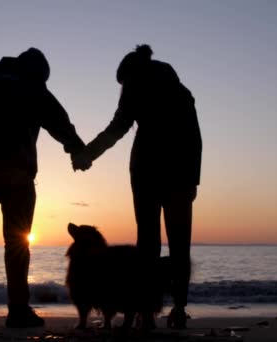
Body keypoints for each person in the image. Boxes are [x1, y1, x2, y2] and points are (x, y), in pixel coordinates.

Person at [73, 44, 202, 329]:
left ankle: (146, 313)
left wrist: (87, 154)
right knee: (180, 245)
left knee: (148, 245)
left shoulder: (135, 84)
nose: (121, 90)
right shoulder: (181, 93)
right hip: (180, 173)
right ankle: (178, 310)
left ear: (128, 75)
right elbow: (194, 138)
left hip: (146, 171)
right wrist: (194, 178)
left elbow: (117, 127)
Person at [0, 48, 86, 328]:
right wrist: (77, 150)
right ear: (36, 73)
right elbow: (58, 120)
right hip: (17, 174)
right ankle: (17, 310)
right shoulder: (31, 87)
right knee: (17, 243)